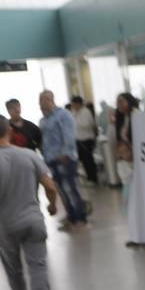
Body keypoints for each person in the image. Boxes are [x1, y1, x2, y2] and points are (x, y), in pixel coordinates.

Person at [0, 116, 60, 290]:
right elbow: (50, 187)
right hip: (33, 220)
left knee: (13, 269)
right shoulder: (28, 155)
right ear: (9, 130)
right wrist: (52, 206)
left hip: (5, 226)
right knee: (38, 265)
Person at [38, 91, 87, 229]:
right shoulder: (44, 120)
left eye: (41, 101)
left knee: (71, 188)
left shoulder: (63, 115)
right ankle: (71, 217)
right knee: (62, 191)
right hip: (51, 160)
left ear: (49, 100)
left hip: (64, 159)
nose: (39, 104)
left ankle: (80, 219)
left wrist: (65, 154)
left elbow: (69, 136)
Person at [111, 93, 140, 227]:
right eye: (118, 102)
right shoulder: (120, 118)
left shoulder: (137, 115)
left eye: (122, 101)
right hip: (126, 159)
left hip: (137, 158)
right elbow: (120, 138)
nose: (119, 104)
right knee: (128, 189)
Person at [70, 96, 99, 184]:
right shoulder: (73, 112)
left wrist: (75, 123)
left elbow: (88, 124)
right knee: (83, 160)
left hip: (87, 139)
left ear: (78, 103)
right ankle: (88, 177)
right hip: (78, 139)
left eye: (74, 104)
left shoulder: (86, 112)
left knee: (88, 160)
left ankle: (93, 178)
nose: (73, 106)